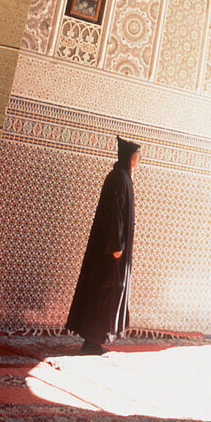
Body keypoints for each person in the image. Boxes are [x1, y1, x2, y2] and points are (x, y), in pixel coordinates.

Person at [66, 136, 142, 354]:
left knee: (108, 291)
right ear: (128, 157)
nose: (139, 161)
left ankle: (95, 339)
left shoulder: (123, 177)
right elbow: (114, 214)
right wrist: (116, 245)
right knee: (105, 291)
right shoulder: (118, 178)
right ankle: (92, 341)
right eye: (137, 157)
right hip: (111, 251)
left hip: (114, 251)